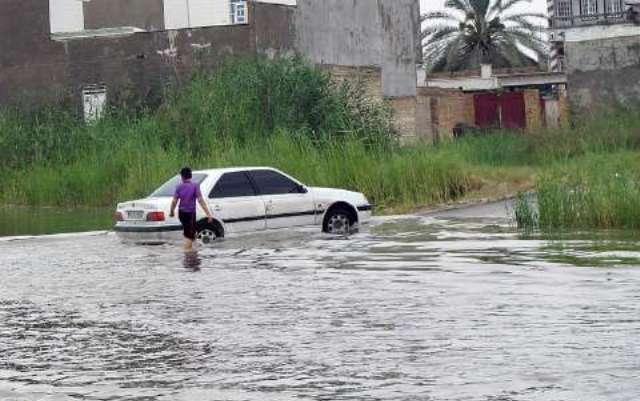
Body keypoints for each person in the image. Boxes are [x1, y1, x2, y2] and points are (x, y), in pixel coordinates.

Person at [169, 167, 214, 250]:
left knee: (191, 233)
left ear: (182, 176)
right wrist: (208, 214)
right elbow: (200, 200)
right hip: (190, 214)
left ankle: (195, 251)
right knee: (189, 235)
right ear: (191, 176)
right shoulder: (195, 186)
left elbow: (174, 201)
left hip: (181, 213)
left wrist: (171, 211)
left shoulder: (179, 187)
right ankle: (187, 254)